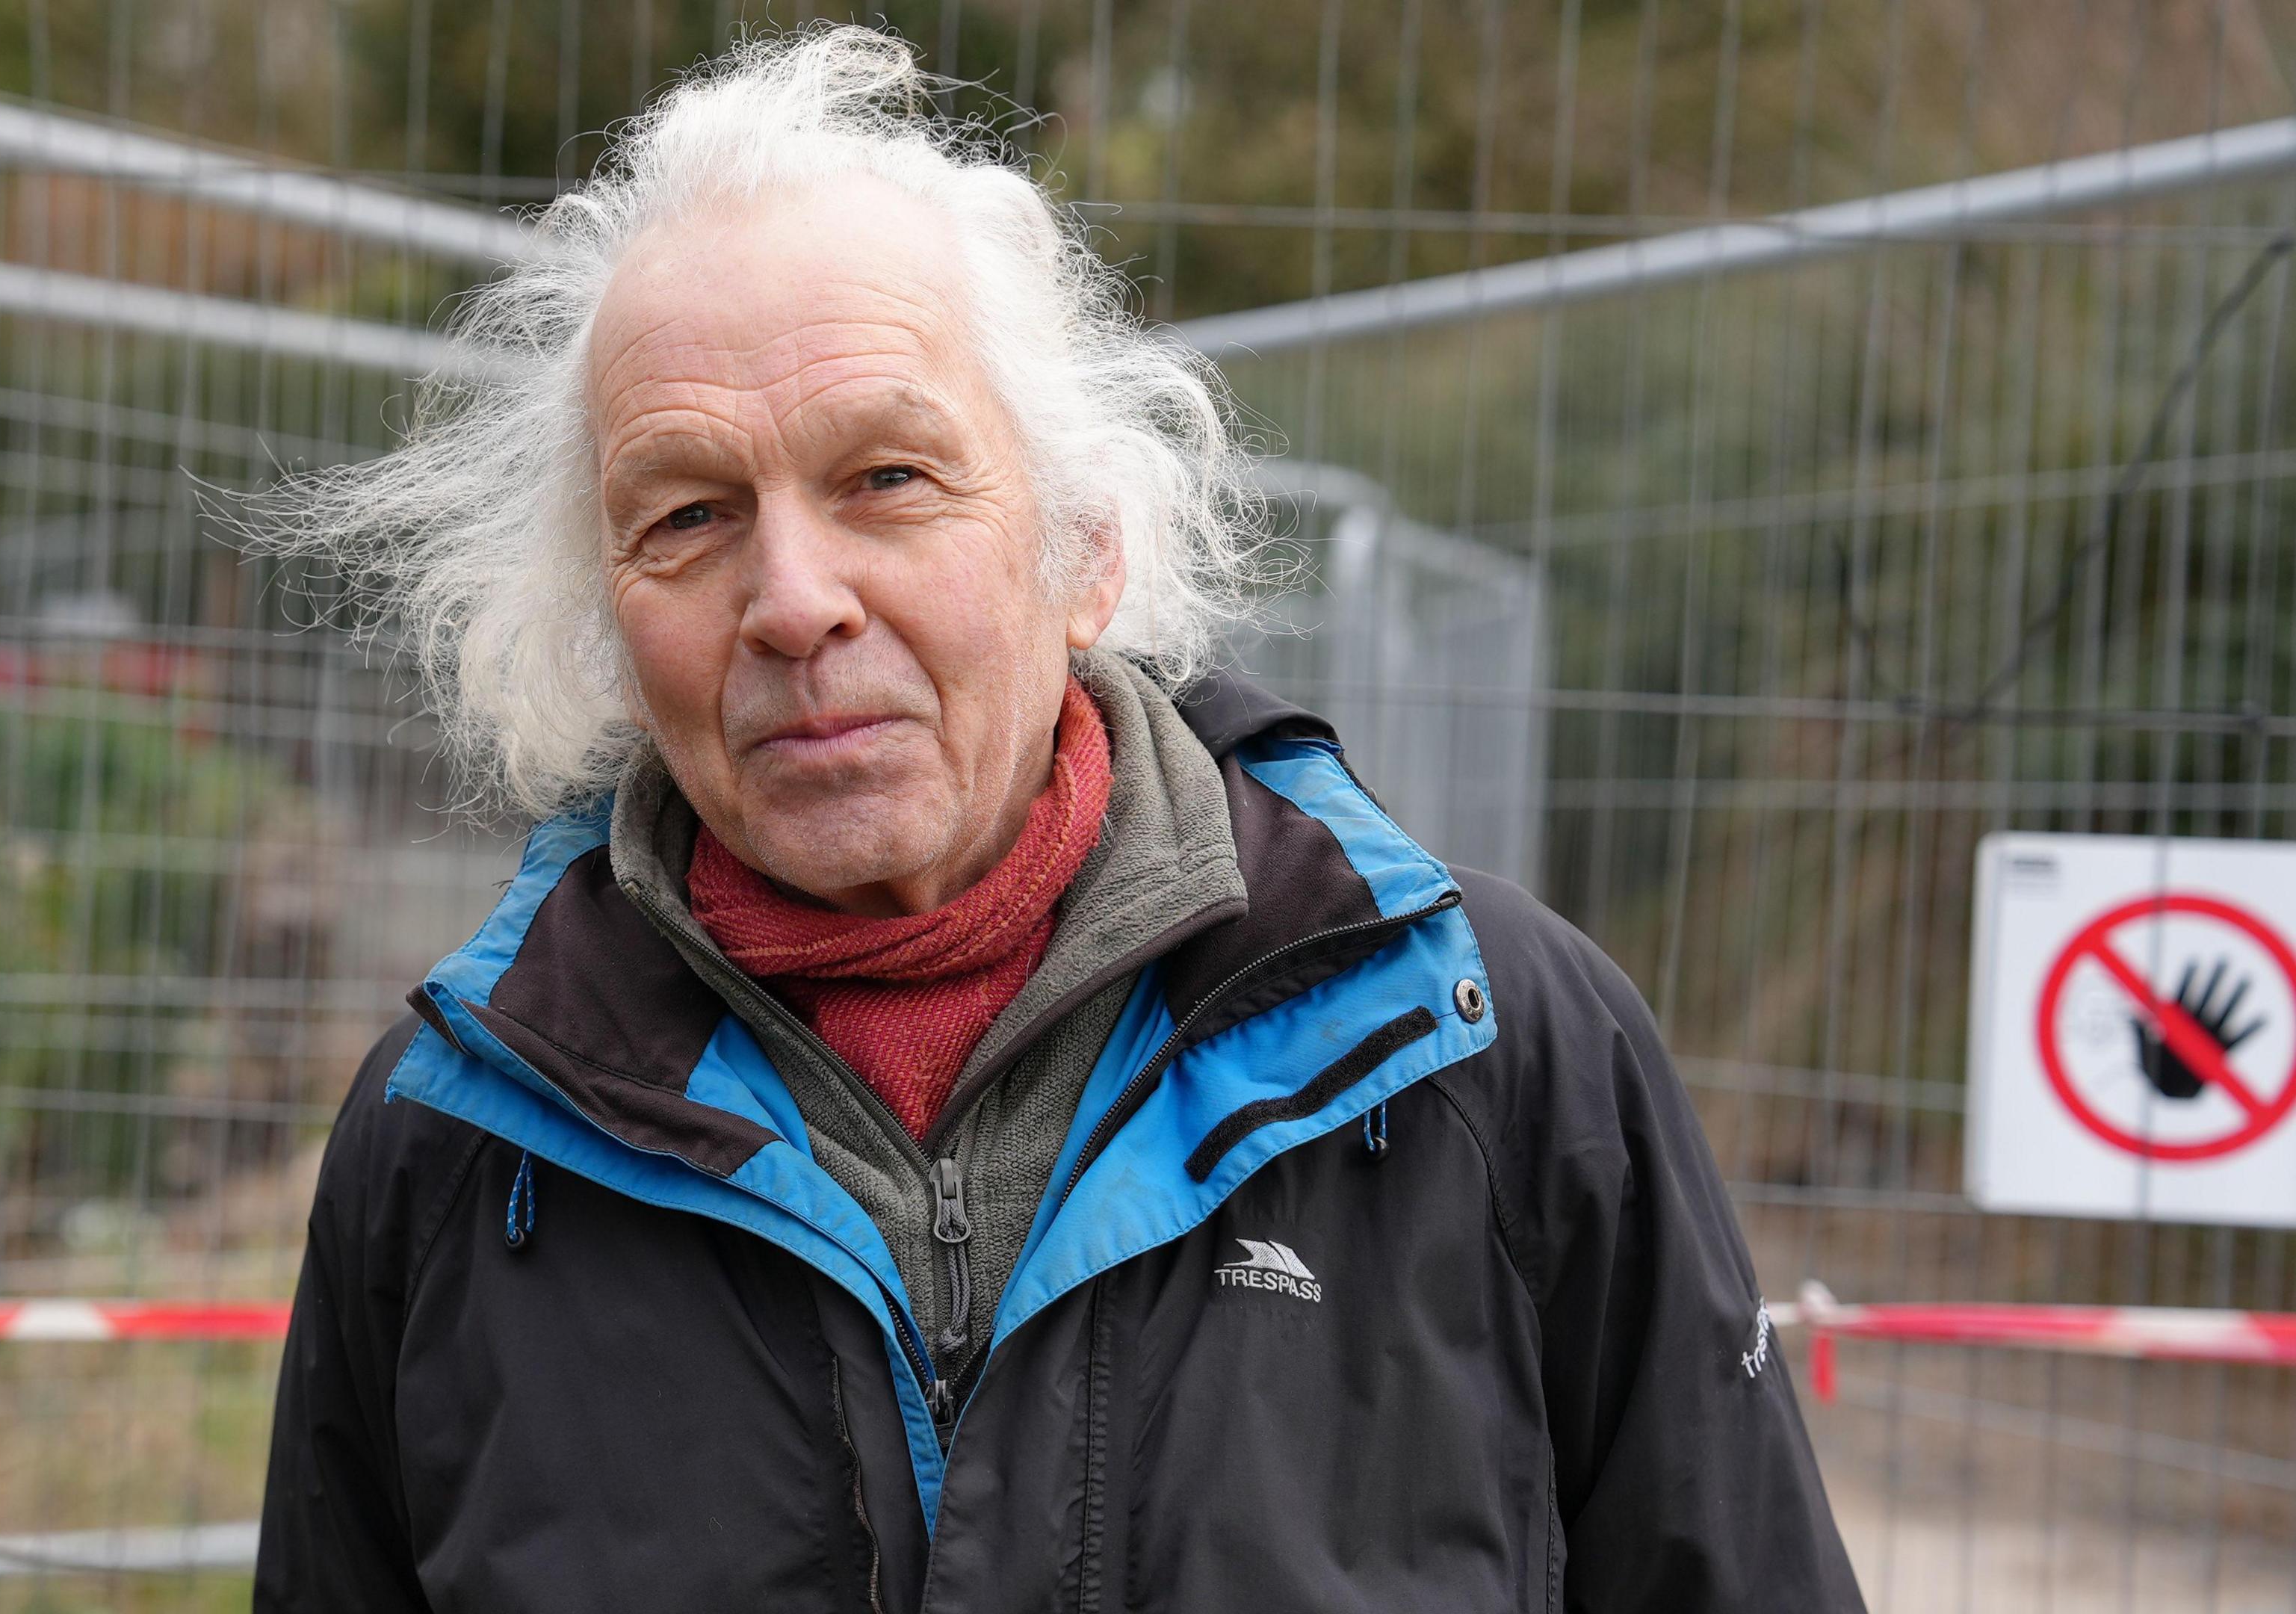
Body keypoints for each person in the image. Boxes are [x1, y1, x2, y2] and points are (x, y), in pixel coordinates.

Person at [251, 25, 1858, 1613]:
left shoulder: (1493, 1052)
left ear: (1086, 550)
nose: (793, 602)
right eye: (687, 515)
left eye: (888, 477)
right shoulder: (449, 1142)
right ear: (608, 620)